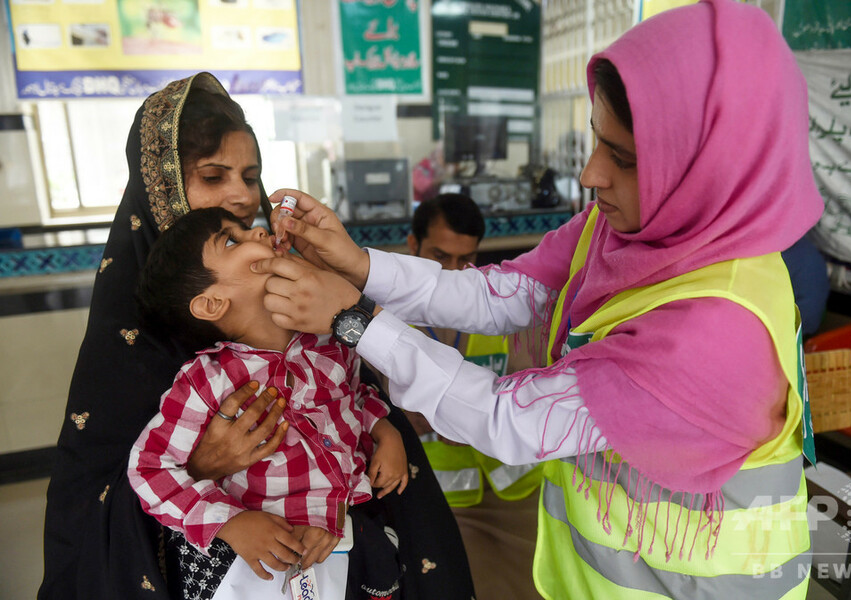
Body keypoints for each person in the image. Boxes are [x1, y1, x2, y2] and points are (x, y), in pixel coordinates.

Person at [251, 1, 822, 597]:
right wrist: (359, 265)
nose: (591, 175)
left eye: (623, 158)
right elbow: (501, 293)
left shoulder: (713, 333)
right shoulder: (637, 229)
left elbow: (505, 419)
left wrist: (352, 318)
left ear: (706, 166)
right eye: (597, 141)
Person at [40, 73, 475, 600]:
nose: (243, 198)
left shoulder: (299, 307)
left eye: (251, 176)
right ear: (162, 189)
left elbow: (353, 403)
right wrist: (204, 466)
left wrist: (382, 433)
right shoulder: (130, 338)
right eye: (214, 176)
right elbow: (99, 500)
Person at [129, 207, 406, 598]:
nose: (257, 232)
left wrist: (386, 432)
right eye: (231, 240)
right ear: (212, 304)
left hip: (343, 540)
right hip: (258, 567)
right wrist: (230, 523)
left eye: (246, 228)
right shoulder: (207, 380)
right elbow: (149, 469)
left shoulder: (329, 341)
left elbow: (357, 396)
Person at [405, 194, 541, 599]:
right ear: (412, 246)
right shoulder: (384, 320)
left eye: (464, 260)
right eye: (439, 256)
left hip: (520, 489)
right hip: (447, 500)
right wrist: (408, 417)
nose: (451, 272)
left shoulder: (501, 307)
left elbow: (539, 387)